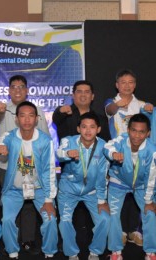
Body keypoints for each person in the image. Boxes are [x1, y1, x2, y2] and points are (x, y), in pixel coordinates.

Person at [0, 75, 49, 253]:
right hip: (7, 166)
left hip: (31, 165)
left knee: (29, 204)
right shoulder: (3, 109)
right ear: (9, 90)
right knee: (10, 204)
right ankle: (12, 241)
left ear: (27, 90)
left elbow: (46, 137)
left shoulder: (36, 109)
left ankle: (28, 240)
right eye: (14, 87)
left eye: (21, 87)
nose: (17, 90)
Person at [0, 101, 58, 259]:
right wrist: (1, 147)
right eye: (22, 116)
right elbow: (2, 142)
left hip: (39, 188)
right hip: (14, 189)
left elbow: (50, 170)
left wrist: (49, 200)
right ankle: (13, 253)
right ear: (16, 119)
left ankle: (49, 253)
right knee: (7, 220)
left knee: (50, 219)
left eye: (31, 116)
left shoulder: (45, 141)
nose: (27, 120)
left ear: (37, 119)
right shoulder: (10, 136)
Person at [105, 69, 154, 247]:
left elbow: (150, 126)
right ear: (117, 84)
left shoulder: (142, 104)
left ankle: (136, 231)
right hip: (119, 157)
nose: (127, 85)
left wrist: (149, 110)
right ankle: (122, 232)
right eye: (123, 82)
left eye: (131, 82)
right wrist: (118, 105)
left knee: (141, 194)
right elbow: (109, 110)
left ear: (135, 84)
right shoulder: (111, 102)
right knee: (119, 196)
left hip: (140, 157)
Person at [56, 112, 110, 260]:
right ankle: (72, 253)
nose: (88, 130)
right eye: (84, 126)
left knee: (105, 219)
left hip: (92, 192)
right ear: (78, 128)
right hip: (68, 191)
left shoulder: (104, 146)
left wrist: (102, 200)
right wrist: (68, 153)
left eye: (92, 127)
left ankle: (95, 252)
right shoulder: (69, 141)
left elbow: (103, 175)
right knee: (65, 221)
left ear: (98, 129)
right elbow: (59, 153)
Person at [103, 113, 156, 260]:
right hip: (118, 182)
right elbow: (107, 146)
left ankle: (151, 252)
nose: (137, 135)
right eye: (133, 130)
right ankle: (116, 252)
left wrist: (148, 200)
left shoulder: (153, 151)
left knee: (150, 213)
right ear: (128, 130)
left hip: (141, 185)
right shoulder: (121, 140)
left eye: (141, 131)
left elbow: (152, 177)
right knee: (113, 214)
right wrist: (114, 154)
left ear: (148, 133)